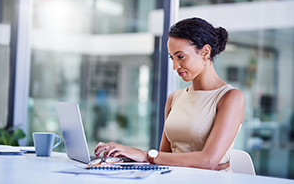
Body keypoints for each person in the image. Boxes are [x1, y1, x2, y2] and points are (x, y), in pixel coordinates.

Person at [94, 17, 245, 172]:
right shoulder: (174, 98)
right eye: (172, 58)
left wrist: (145, 155)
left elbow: (208, 161)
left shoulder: (230, 98)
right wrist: (124, 155)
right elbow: (164, 156)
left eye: (180, 57)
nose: (175, 66)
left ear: (205, 52)